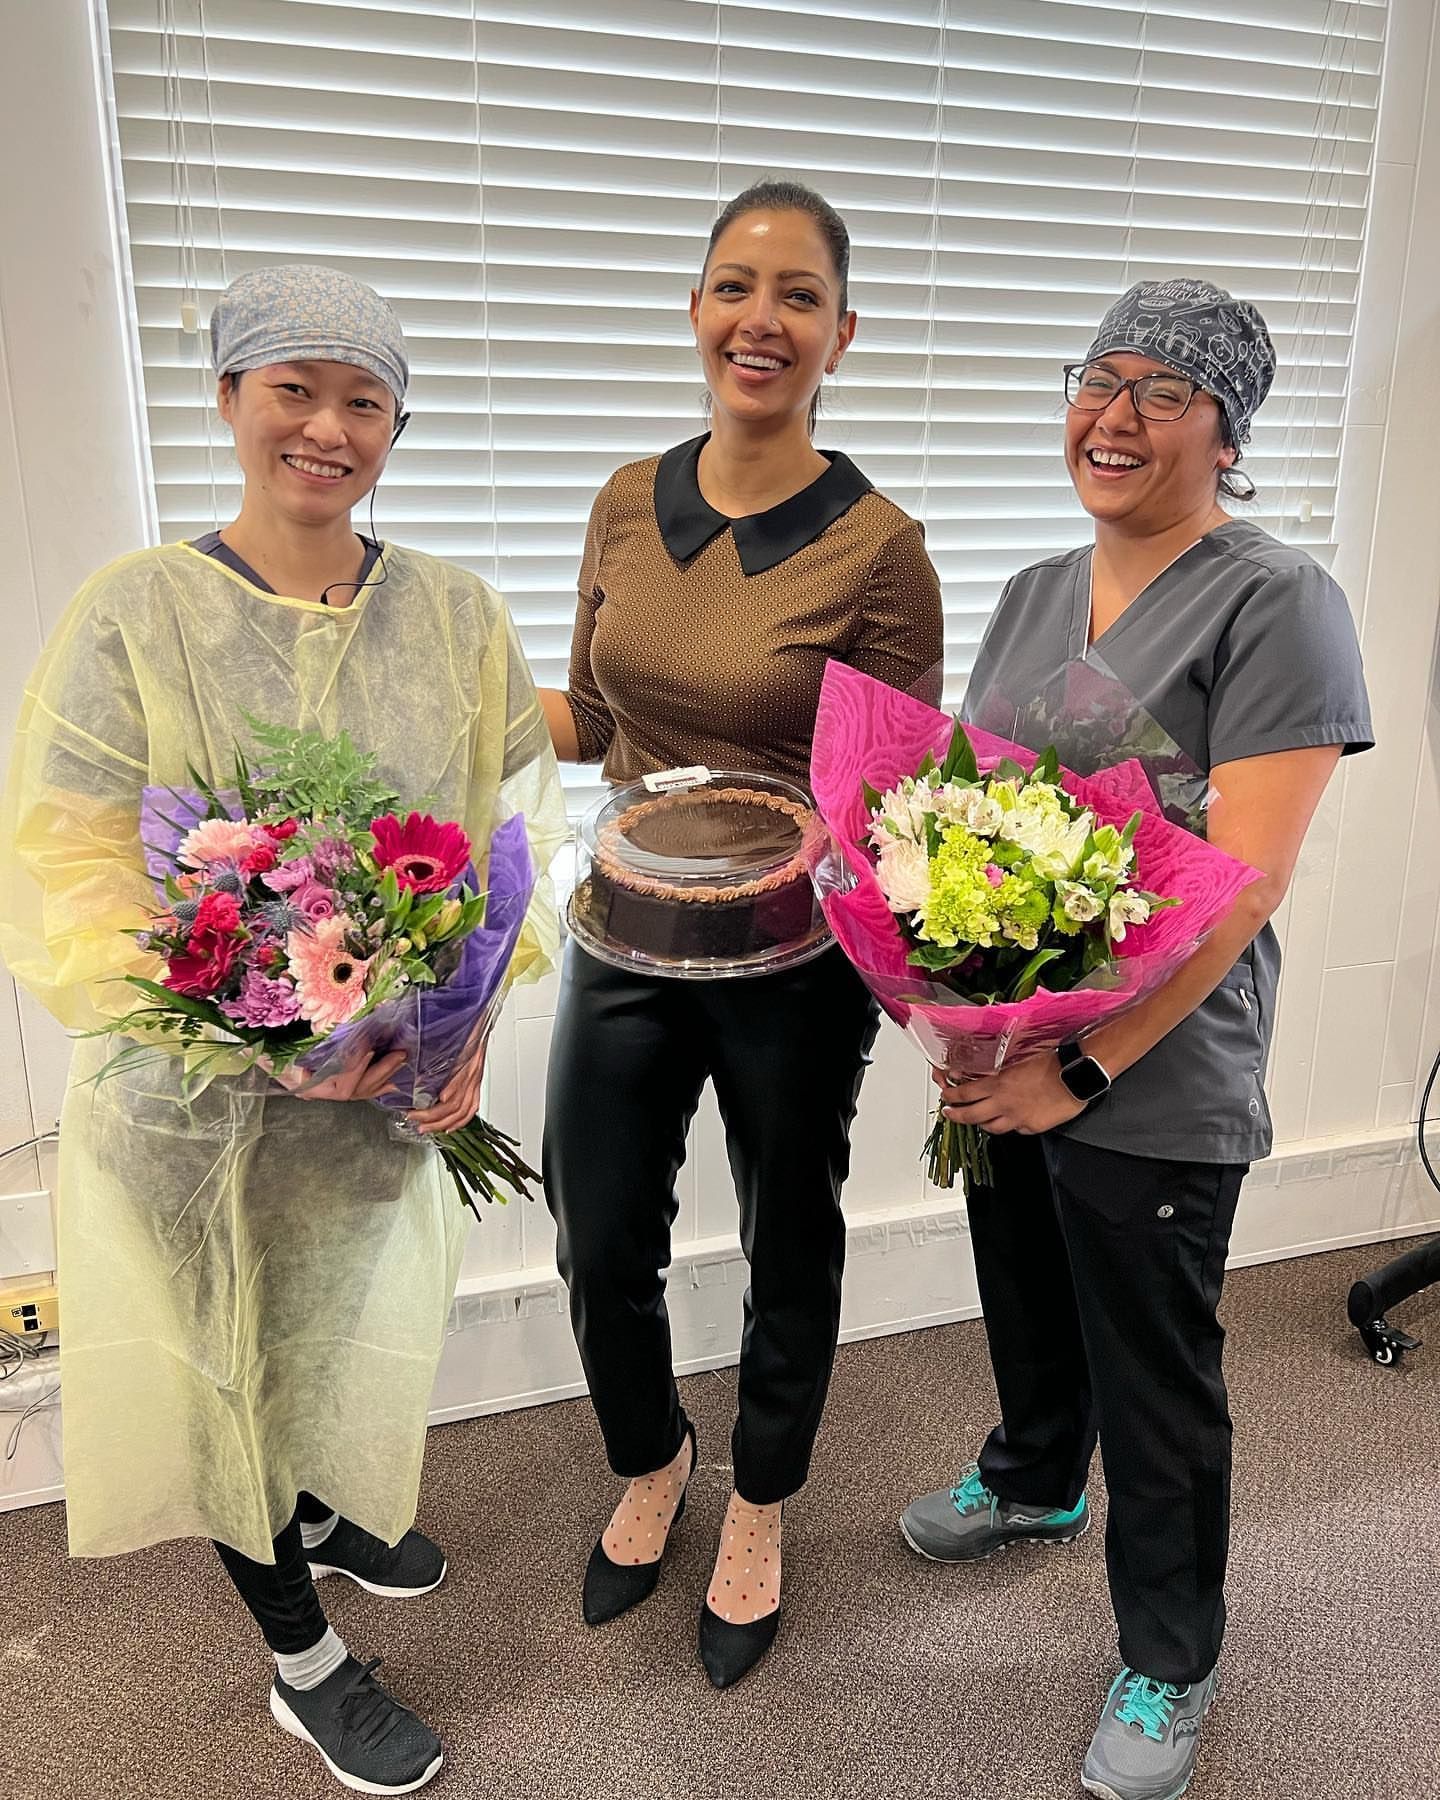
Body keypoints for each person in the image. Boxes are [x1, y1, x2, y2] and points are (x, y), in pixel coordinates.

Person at [0, 265, 566, 1796]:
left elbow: (505, 835)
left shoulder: (452, 613)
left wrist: (447, 1042)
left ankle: (327, 1503)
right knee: (229, 1359)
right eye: (292, 390)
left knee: (336, 1318)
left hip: (384, 1087)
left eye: (364, 400)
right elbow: (69, 867)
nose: (328, 428)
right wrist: (267, 1039)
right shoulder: (140, 611)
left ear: (397, 423)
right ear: (231, 400)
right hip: (196, 1107)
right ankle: (303, 1665)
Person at [897, 278, 1372, 1800]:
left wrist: (1083, 1066)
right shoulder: (1039, 588)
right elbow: (972, 819)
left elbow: (1243, 883)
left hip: (1154, 1069)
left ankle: (1171, 1658)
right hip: (1013, 1043)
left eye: (1162, 392)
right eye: (1094, 381)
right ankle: (1038, 1479)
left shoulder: (1276, 599)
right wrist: (955, 1007)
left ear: (1227, 429)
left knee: (1157, 1370)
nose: (1113, 417)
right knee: (1029, 1288)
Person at [537, 180, 944, 1688]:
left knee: (790, 1226)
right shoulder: (622, 499)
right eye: (731, 286)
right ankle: (651, 1460)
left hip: (794, 957)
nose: (757, 320)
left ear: (842, 331)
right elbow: (594, 718)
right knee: (596, 1223)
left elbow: (890, 796)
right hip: (628, 927)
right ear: (695, 309)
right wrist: (470, 704)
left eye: (793, 296)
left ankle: (760, 1501)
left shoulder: (881, 550)